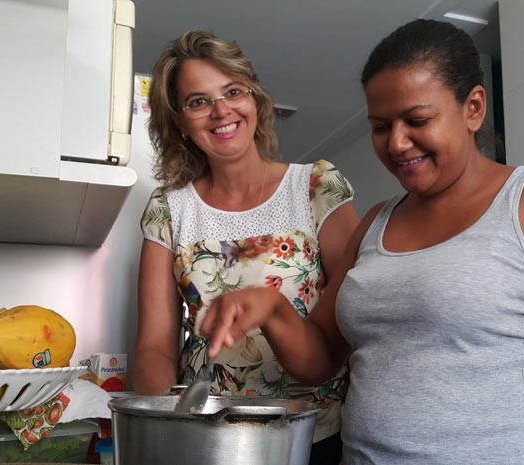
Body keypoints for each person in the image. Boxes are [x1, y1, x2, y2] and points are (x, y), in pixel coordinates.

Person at [200, 19, 524, 465]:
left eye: (417, 120)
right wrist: (270, 308)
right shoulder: (374, 225)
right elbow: (321, 359)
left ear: (473, 108)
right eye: (381, 127)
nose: (397, 143)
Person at [132, 30, 360, 465]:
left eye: (232, 92)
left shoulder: (316, 186)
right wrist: (169, 425)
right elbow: (154, 347)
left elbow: (353, 322)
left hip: (313, 435)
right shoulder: (168, 208)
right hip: (207, 438)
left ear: (254, 99)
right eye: (198, 101)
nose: (221, 111)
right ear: (180, 122)